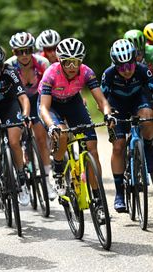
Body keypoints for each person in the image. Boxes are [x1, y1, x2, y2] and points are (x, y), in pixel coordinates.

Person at [38, 38, 114, 198]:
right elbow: (44, 107)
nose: (72, 67)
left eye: (76, 62)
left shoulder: (86, 72)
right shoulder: (51, 73)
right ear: (60, 61)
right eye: (67, 62)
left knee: (92, 147)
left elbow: (101, 100)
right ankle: (58, 170)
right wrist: (52, 126)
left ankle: (98, 197)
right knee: (63, 134)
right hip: (52, 105)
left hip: (73, 102)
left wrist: (108, 114)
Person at [101, 39, 153, 212]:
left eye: (130, 64)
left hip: (139, 100)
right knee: (118, 147)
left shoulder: (143, 70)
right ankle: (119, 193)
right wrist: (107, 115)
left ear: (135, 60)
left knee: (148, 115)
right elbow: (102, 101)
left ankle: (148, 150)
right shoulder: (108, 74)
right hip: (117, 106)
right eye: (121, 67)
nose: (127, 70)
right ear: (115, 65)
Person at [0, 45, 32, 205]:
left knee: (15, 141)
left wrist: (25, 115)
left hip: (10, 106)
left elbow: (23, 98)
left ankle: (22, 180)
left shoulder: (10, 72)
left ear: (2, 67)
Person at [6, 32, 55, 200]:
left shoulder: (42, 63)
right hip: (16, 102)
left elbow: (50, 85)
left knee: (41, 136)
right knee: (16, 137)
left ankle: (48, 179)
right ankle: (20, 169)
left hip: (36, 100)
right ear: (14, 53)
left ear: (32, 50)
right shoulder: (9, 65)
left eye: (27, 50)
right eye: (20, 52)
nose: (24, 55)